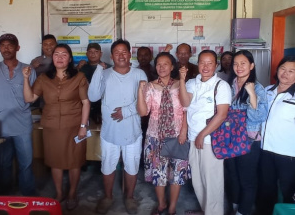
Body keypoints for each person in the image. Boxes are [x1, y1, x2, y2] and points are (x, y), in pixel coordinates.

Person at [22, 44, 90, 211]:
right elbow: (29, 98)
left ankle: (72, 193)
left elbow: (85, 102)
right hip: (51, 126)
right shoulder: (44, 78)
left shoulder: (79, 77)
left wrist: (83, 126)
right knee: (55, 162)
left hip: (74, 125)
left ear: (70, 58)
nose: (59, 57)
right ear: (52, 58)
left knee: (74, 162)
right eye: (56, 54)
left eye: (64, 54)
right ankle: (59, 193)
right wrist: (25, 78)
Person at [88, 39, 147, 215]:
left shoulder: (139, 74)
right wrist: (99, 68)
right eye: (117, 52)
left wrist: (127, 111)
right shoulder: (104, 74)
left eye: (124, 52)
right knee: (107, 166)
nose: (121, 55)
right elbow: (92, 96)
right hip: (110, 132)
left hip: (133, 131)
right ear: (112, 56)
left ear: (130, 54)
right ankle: (107, 197)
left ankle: (129, 197)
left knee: (132, 166)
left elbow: (144, 100)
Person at [179, 49, 231, 215]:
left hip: (211, 140)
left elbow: (222, 115)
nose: (206, 66)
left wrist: (202, 134)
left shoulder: (221, 86)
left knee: (212, 180)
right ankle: (206, 210)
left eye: (210, 63)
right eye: (202, 62)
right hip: (193, 138)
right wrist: (181, 80)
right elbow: (185, 102)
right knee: (198, 179)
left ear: (216, 65)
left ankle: (214, 212)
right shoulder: (192, 83)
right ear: (198, 63)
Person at [137, 52, 190, 215]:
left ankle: (172, 207)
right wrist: (140, 91)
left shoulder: (180, 85)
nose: (161, 67)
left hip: (177, 135)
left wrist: (183, 131)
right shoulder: (151, 86)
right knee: (158, 172)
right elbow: (143, 112)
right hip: (155, 137)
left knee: (177, 175)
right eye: (158, 64)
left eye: (165, 64)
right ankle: (161, 204)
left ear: (172, 67)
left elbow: (186, 108)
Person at [224, 50, 268, 215]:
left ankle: (243, 211)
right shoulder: (228, 86)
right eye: (236, 63)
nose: (239, 67)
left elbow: (259, 117)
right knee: (232, 176)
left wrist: (252, 94)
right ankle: (236, 206)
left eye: (243, 63)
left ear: (251, 65)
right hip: (229, 139)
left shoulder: (258, 88)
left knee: (247, 180)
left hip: (249, 141)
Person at [0, 33, 36, 196]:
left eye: (10, 45)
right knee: (4, 164)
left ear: (17, 48)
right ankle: (4, 195)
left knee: (26, 163)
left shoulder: (28, 70)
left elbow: (32, 97)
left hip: (22, 125)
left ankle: (28, 195)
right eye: (2, 45)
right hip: (1, 125)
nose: (6, 48)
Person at [256, 55, 295, 215]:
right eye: (283, 69)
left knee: (288, 192)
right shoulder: (267, 90)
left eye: (291, 71)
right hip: (265, 150)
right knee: (266, 189)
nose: (285, 74)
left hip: (289, 154)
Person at [79, 43, 111, 124]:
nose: (93, 54)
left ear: (101, 54)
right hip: (87, 105)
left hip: (104, 106)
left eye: (96, 51)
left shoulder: (109, 68)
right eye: (90, 51)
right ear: (86, 54)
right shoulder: (82, 68)